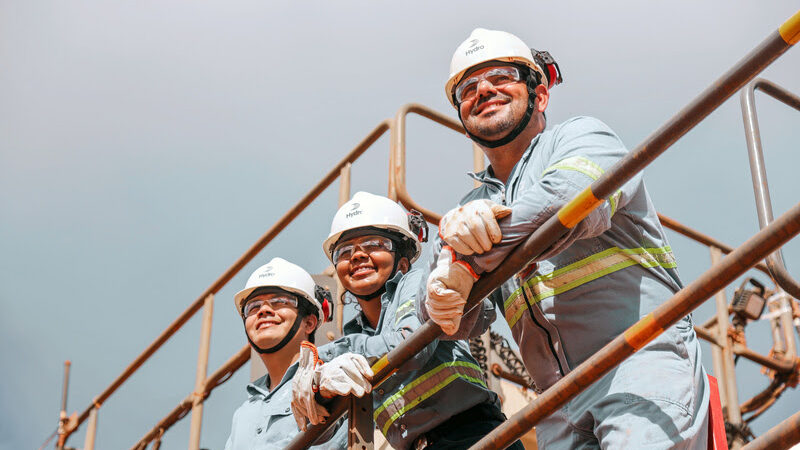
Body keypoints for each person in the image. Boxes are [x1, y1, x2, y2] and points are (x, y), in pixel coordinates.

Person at [423, 28, 710, 449]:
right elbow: (459, 324)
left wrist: (465, 261)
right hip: (556, 405)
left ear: (539, 95)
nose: (483, 89)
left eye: (501, 76)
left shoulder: (583, 138)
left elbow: (567, 202)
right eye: (467, 88)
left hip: (637, 361)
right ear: (463, 121)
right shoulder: (467, 211)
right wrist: (439, 292)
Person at [291, 191, 522, 450]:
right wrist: (319, 387)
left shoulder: (417, 283)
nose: (357, 256)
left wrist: (328, 356)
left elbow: (412, 346)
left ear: (402, 262)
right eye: (344, 251)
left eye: (374, 244)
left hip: (472, 434)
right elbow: (326, 433)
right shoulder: (359, 336)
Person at [224, 257, 347, 450]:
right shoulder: (243, 414)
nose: (264, 310)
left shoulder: (330, 380)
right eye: (253, 307)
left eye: (279, 301)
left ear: (310, 322)